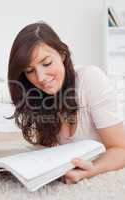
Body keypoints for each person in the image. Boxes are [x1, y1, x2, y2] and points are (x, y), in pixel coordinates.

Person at [7, 22, 125, 184]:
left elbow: (121, 149)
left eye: (47, 63)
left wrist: (91, 170)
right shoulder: (38, 96)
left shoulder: (90, 79)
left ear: (62, 54)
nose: (40, 78)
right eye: (29, 71)